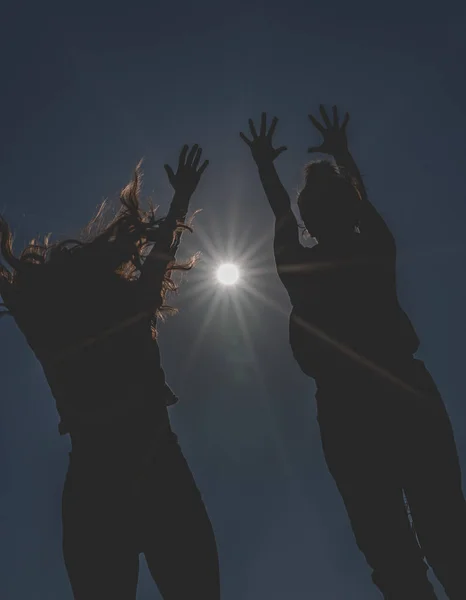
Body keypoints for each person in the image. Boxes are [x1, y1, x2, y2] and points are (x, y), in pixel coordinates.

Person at [240, 108, 466, 599]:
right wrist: (338, 158)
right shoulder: (360, 254)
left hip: (377, 402)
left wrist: (271, 166)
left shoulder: (323, 262)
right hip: (372, 403)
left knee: (424, 541)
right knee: (410, 544)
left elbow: (286, 215)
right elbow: (302, 213)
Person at [0, 144, 220, 600]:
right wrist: (179, 201)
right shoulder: (127, 313)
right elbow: (159, 259)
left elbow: (14, 287)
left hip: (99, 485)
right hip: (156, 473)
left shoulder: (54, 332)